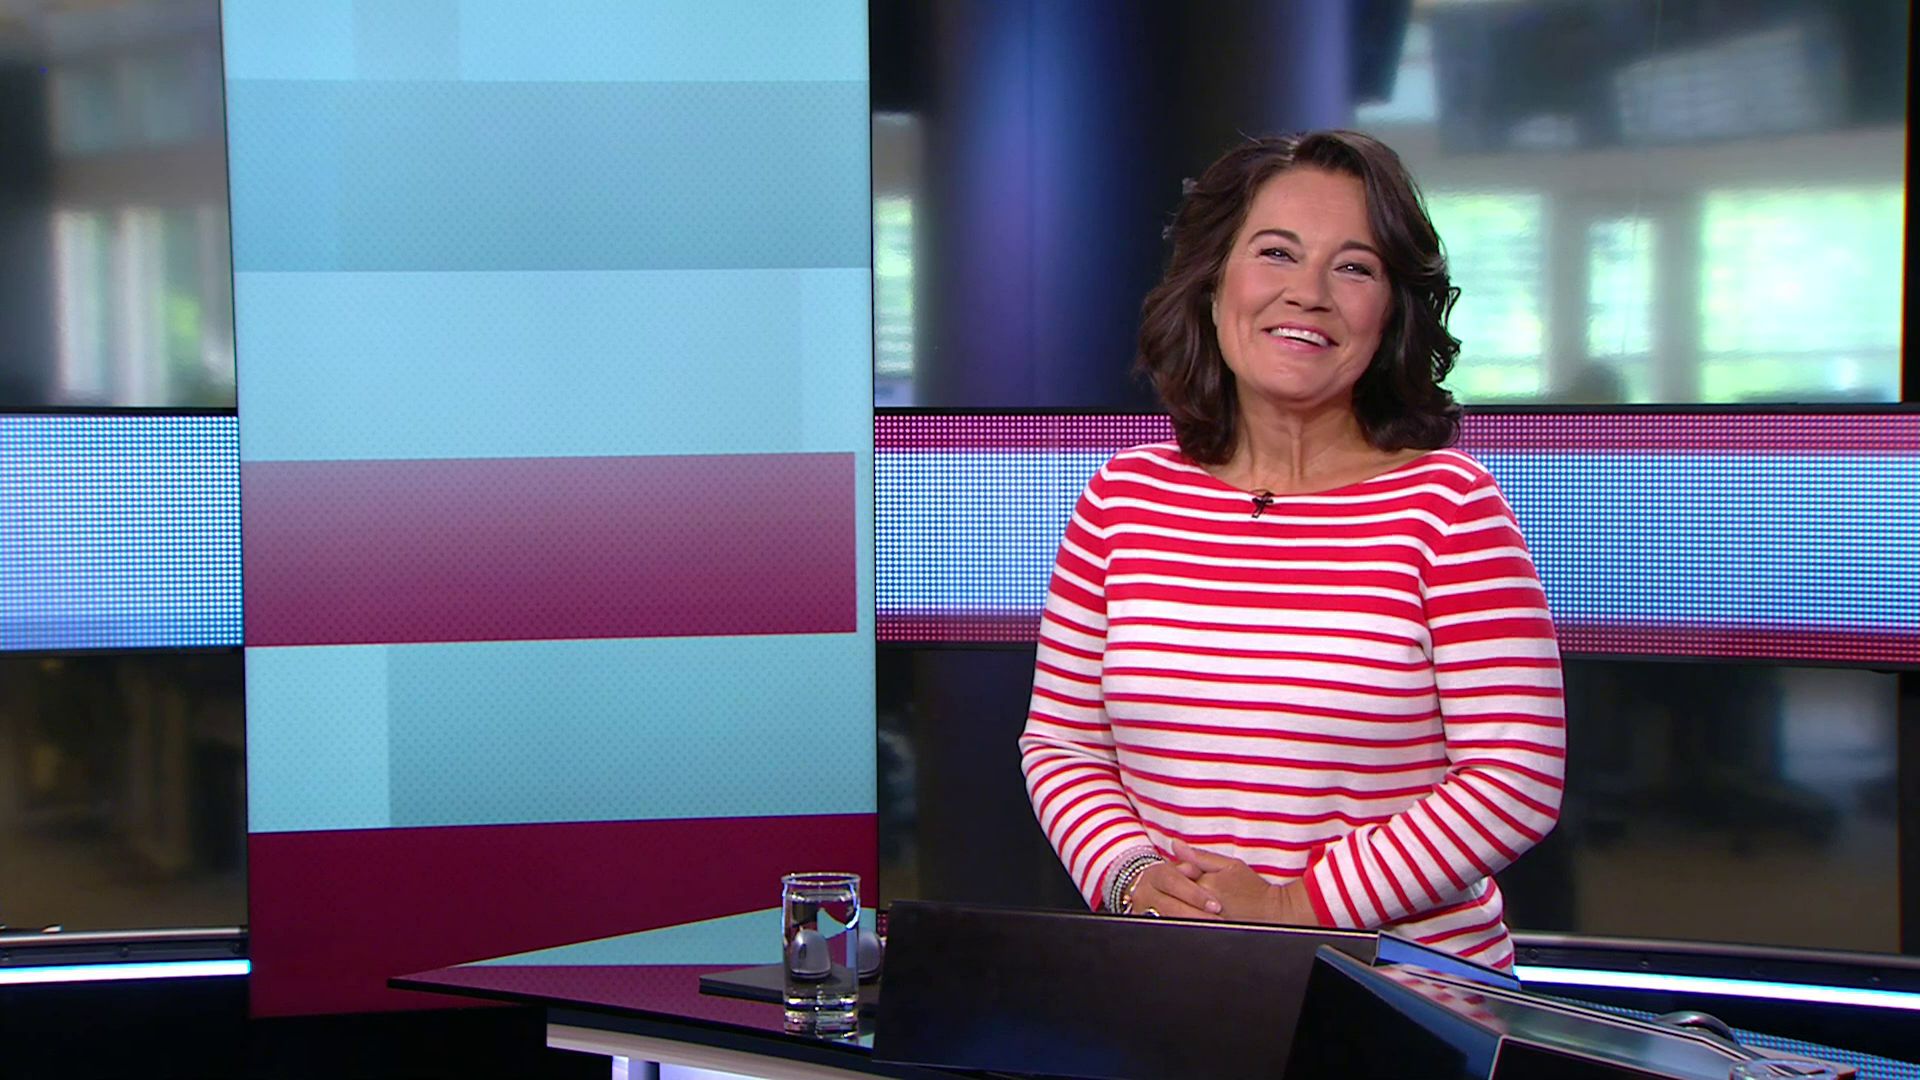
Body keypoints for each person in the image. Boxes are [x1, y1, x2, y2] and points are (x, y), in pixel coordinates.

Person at [1017, 131, 1565, 970]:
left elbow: (1515, 777)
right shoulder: (1121, 499)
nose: (1308, 294)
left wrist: (1295, 908)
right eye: (1277, 252)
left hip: (1396, 993)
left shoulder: (1450, 507)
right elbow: (1064, 746)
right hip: (1176, 979)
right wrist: (1130, 877)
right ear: (1214, 284)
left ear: (1391, 312)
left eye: (1354, 267)